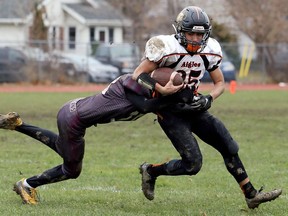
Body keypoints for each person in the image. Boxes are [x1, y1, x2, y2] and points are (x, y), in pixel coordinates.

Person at [132, 6, 282, 209]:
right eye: (190, 33)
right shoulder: (166, 47)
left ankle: (251, 195)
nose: (194, 38)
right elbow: (138, 75)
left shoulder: (209, 50)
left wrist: (209, 99)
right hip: (170, 110)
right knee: (193, 164)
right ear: (180, 31)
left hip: (194, 106)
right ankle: (151, 170)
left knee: (228, 146)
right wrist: (161, 88)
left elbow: (220, 83)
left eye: (199, 34)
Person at [0, 73, 185, 205]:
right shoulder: (132, 84)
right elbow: (146, 106)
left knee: (63, 148)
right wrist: (170, 96)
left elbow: (158, 104)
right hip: (74, 120)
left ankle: (18, 124)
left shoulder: (145, 88)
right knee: (72, 170)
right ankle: (26, 185)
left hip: (72, 112)